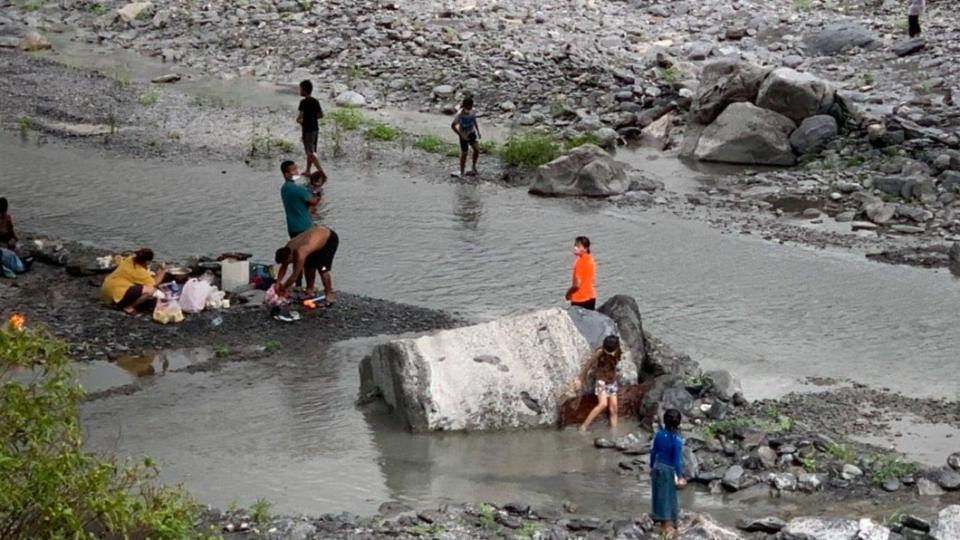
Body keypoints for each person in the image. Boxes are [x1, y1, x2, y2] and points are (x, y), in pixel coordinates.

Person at [274, 226, 338, 305]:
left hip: (328, 239)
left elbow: (294, 276)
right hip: (314, 241)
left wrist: (283, 288)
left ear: (290, 256)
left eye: (289, 261)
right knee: (308, 266)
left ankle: (328, 294)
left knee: (323, 269)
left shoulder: (301, 253)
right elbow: (284, 267)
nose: (290, 263)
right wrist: (278, 282)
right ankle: (310, 290)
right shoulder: (289, 246)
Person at [572, 335, 622, 432]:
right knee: (603, 404)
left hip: (611, 380)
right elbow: (588, 365)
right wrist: (580, 379)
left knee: (614, 409)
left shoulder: (618, 352)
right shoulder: (600, 352)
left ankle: (614, 431)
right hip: (601, 380)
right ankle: (584, 426)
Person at [650, 409, 686, 537]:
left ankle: (661, 523)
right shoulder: (676, 440)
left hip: (657, 467)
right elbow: (677, 461)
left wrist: (651, 466)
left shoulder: (659, 435)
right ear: (678, 423)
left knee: (659, 495)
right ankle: (667, 528)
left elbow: (654, 452)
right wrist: (680, 476)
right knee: (668, 497)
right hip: (668, 470)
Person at [101, 248, 167, 315]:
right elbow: (154, 284)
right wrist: (163, 270)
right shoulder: (139, 271)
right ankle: (129, 307)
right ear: (147, 261)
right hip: (116, 298)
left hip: (106, 292)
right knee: (151, 291)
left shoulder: (129, 259)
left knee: (141, 287)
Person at [296, 79, 324, 176]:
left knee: (310, 152)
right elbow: (321, 115)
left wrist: (300, 121)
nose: (299, 91)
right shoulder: (315, 101)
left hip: (307, 129)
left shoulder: (303, 102)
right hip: (315, 128)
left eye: (300, 89)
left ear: (304, 90)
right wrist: (312, 118)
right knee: (311, 150)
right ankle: (308, 170)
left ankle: (321, 172)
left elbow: (300, 117)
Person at [451, 97, 481, 177]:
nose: (469, 109)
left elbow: (474, 120)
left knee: (477, 150)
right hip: (463, 135)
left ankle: (473, 167)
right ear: (464, 106)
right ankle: (462, 172)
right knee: (464, 153)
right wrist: (461, 135)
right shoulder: (459, 114)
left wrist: (478, 131)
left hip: (471, 133)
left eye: (470, 107)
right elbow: (453, 126)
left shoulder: (473, 111)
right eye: (467, 108)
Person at [566, 236, 596, 310]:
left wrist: (568, 293)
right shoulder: (591, 259)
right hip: (591, 297)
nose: (575, 248)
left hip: (580, 300)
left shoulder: (580, 262)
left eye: (578, 246)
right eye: (575, 245)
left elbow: (577, 285)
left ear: (585, 248)